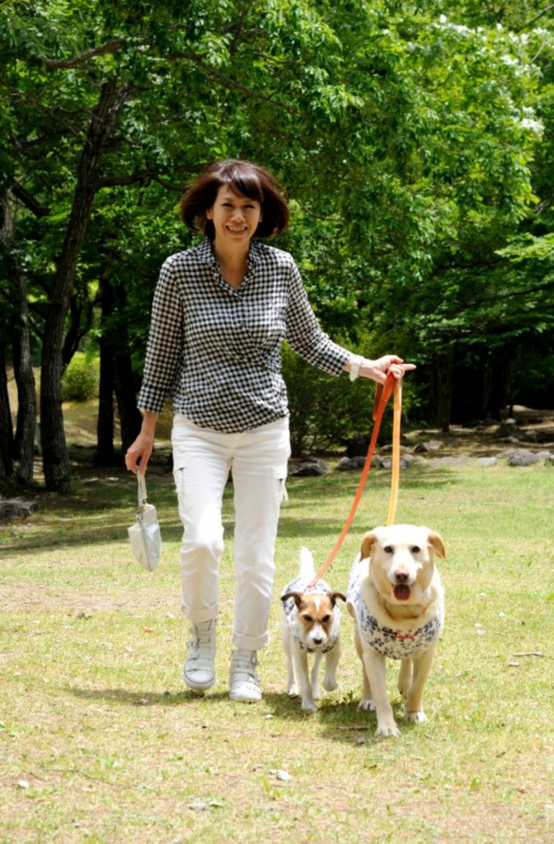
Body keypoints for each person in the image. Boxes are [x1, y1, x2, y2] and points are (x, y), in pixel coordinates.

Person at [125, 159, 414, 702]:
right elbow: (161, 353)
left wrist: (365, 366)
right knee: (204, 542)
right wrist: (147, 430)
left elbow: (309, 340)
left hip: (265, 429)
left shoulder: (281, 268)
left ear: (263, 214)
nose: (238, 216)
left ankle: (245, 661)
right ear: (206, 212)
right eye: (227, 206)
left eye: (248, 207)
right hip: (198, 429)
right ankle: (202, 637)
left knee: (257, 554)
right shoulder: (178, 271)